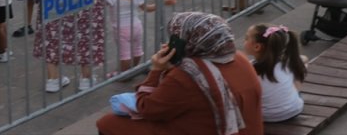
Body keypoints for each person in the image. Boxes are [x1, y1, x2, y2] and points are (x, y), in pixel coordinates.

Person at [97, 12, 264, 135]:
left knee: (107, 123)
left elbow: (148, 109)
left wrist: (155, 71)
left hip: (201, 129)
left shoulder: (188, 75)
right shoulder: (240, 59)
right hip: (244, 129)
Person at [105, 0, 167, 75]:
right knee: (137, 49)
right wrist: (161, 3)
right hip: (136, 26)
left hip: (121, 29)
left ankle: (123, 74)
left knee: (124, 54)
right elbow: (148, 8)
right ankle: (135, 68)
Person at [243, 24, 306, 123]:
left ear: (257, 47)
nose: (244, 41)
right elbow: (304, 59)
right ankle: (291, 96)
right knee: (299, 67)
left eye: (246, 38)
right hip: (294, 110)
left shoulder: (250, 70)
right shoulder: (286, 62)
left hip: (267, 117)